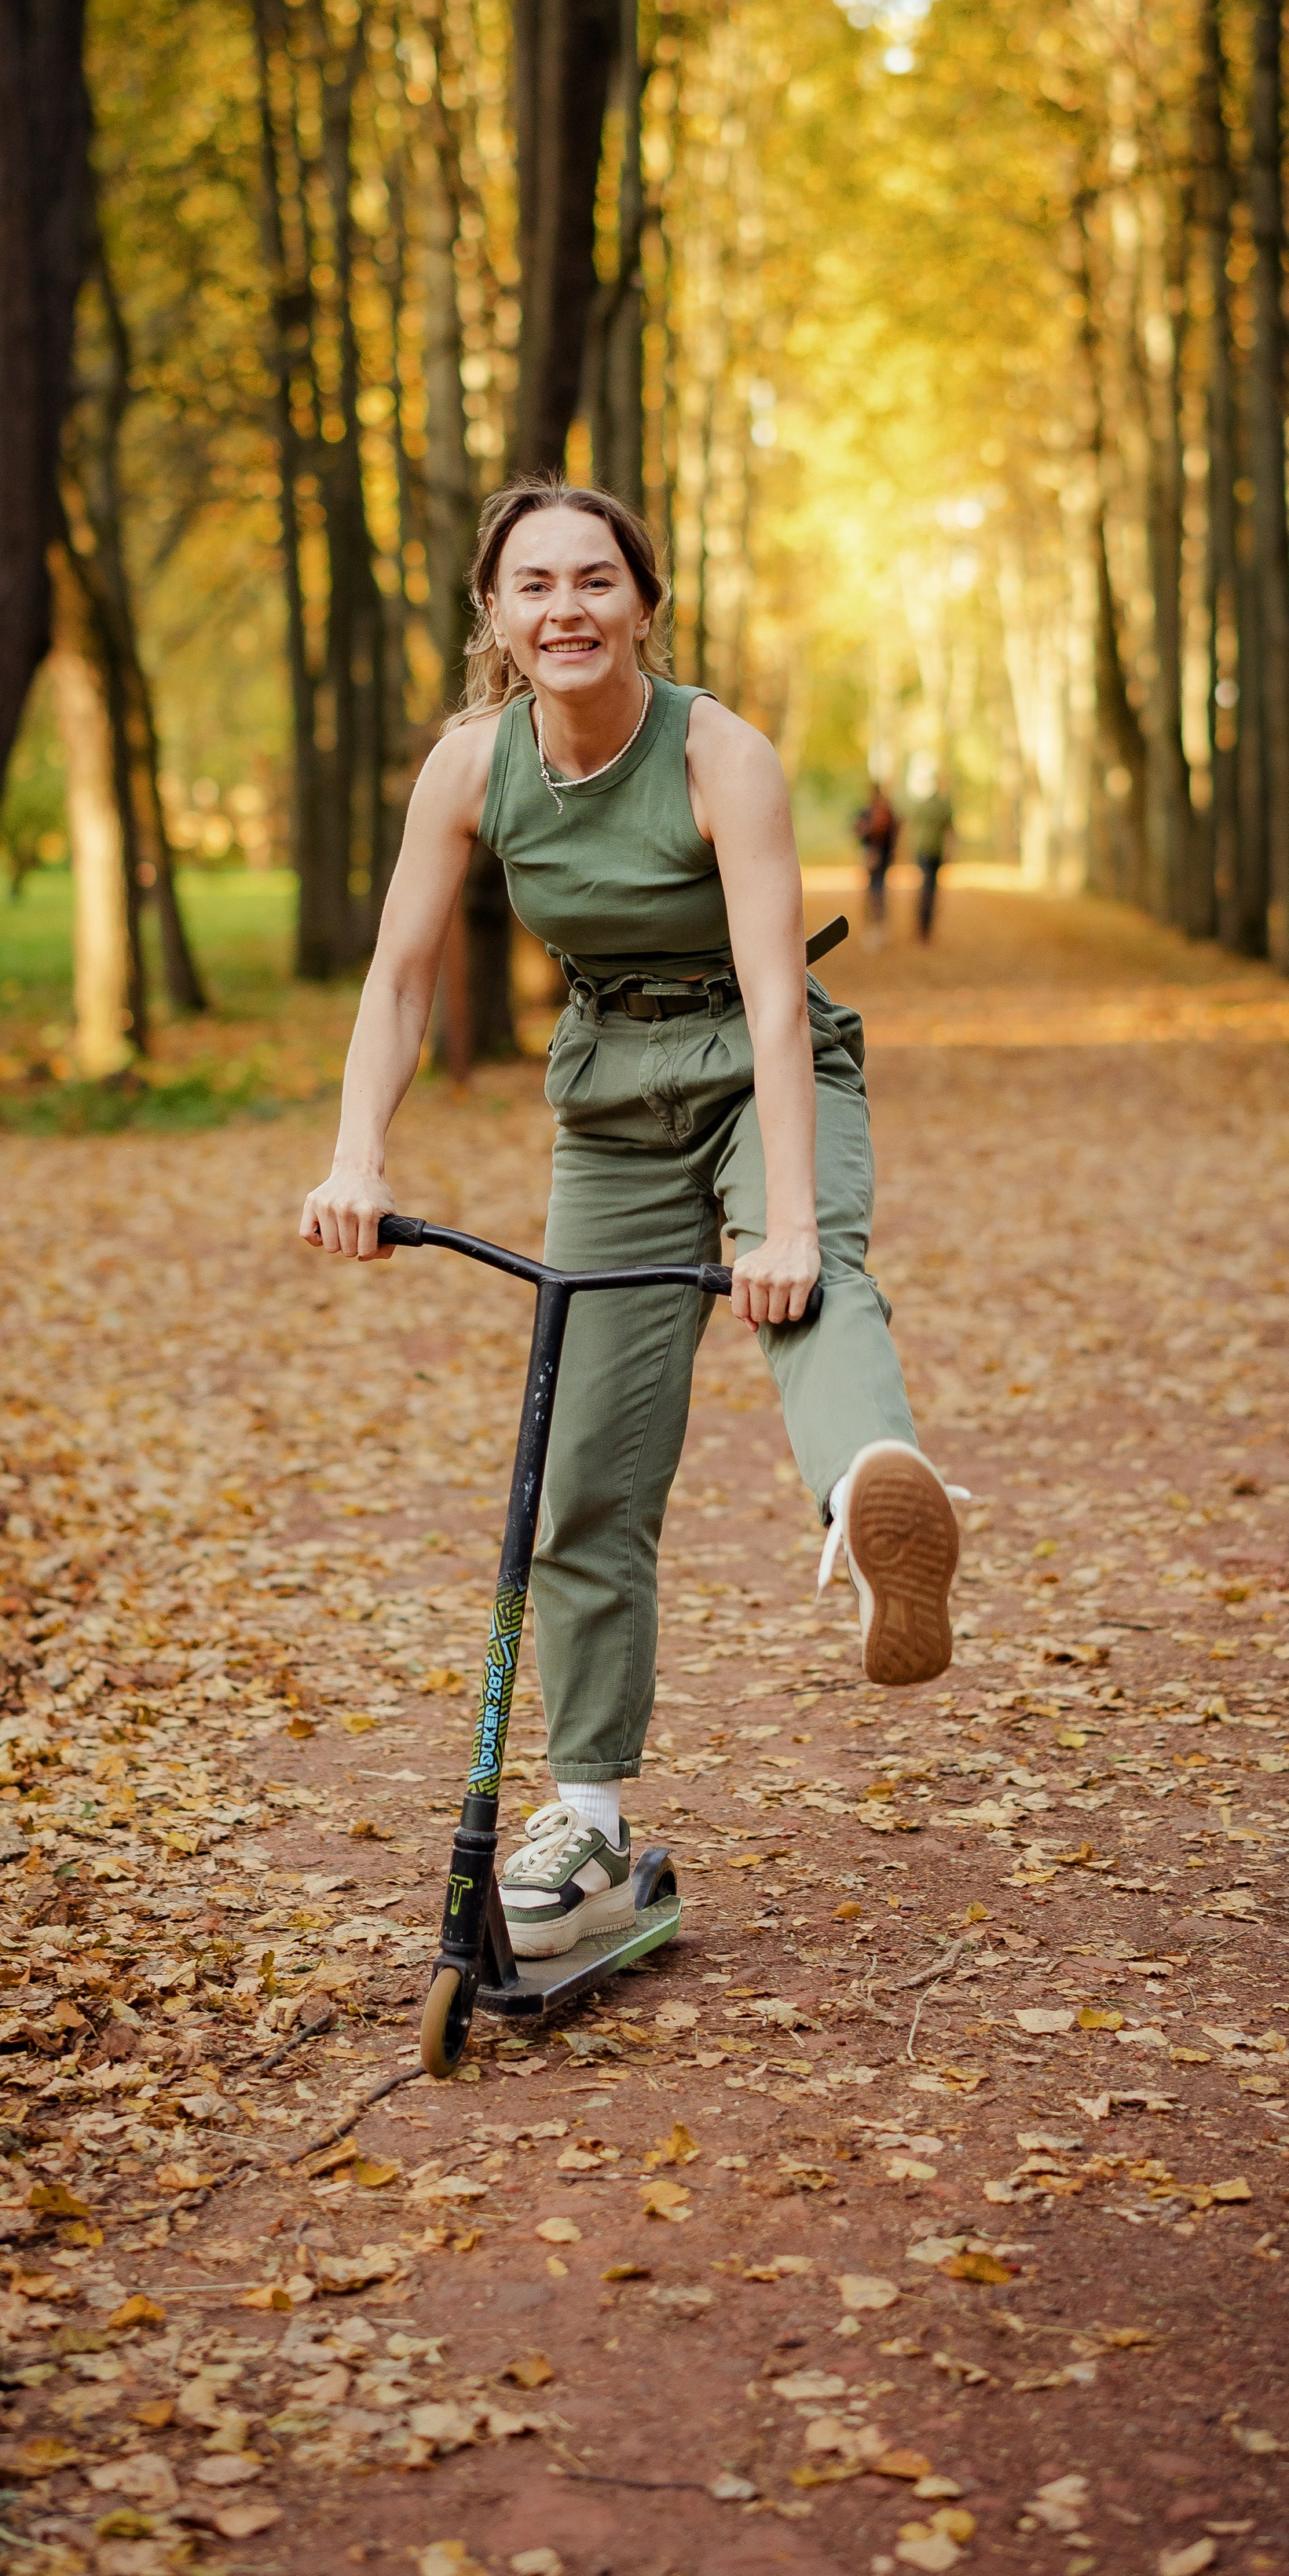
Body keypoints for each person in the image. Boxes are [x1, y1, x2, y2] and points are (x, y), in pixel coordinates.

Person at [300, 478, 965, 1960]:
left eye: (597, 580)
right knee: (586, 1472)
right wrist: (357, 1154)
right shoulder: (470, 766)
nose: (568, 609)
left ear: (644, 603)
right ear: (495, 615)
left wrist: (782, 1220)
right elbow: (402, 978)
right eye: (535, 585)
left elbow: (782, 995)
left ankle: (873, 1505)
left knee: (817, 1278)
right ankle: (589, 1819)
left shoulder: (721, 754)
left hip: (755, 1061)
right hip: (610, 1098)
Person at [908, 760, 954, 944]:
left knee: (929, 889)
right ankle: (923, 926)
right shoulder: (939, 805)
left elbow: (949, 830)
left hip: (929, 850)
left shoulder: (934, 805)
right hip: (930, 850)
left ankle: (924, 927)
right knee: (929, 889)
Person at [853, 779, 899, 940]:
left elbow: (857, 831)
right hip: (881, 857)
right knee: (878, 891)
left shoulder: (869, 811)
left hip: (873, 856)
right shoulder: (885, 811)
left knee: (874, 891)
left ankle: (875, 927)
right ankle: (878, 927)